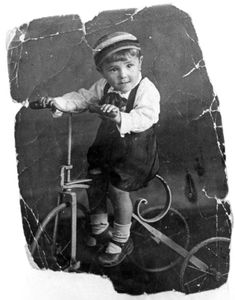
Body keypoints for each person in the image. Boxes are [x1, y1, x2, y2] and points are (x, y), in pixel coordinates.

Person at [34, 32, 160, 267]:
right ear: (102, 72)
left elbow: (147, 117)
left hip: (135, 152)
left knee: (117, 189)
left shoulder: (146, 89)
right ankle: (100, 228)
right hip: (108, 146)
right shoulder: (103, 87)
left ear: (140, 62)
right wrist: (57, 102)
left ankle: (122, 240)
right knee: (95, 180)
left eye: (129, 65)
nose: (123, 75)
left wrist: (120, 116)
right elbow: (82, 98)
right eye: (113, 69)